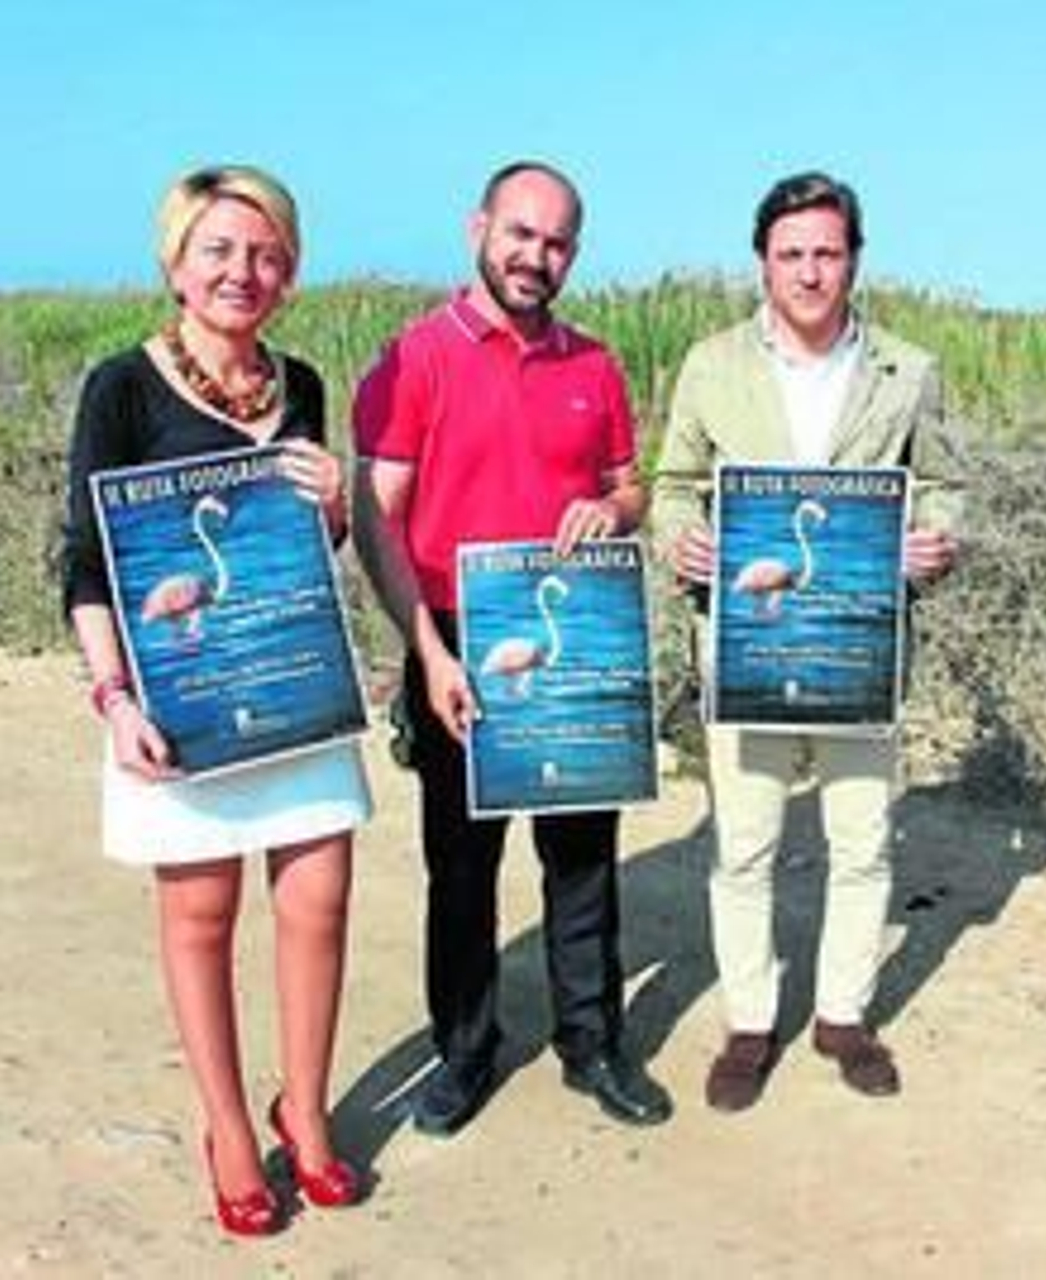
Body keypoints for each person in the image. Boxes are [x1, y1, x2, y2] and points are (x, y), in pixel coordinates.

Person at [61, 165, 372, 1235]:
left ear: (288, 269)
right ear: (176, 260)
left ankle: (308, 1107)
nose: (245, 271)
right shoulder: (123, 389)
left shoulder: (303, 381)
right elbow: (88, 563)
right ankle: (230, 1124)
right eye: (221, 250)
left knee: (319, 898)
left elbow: (302, 552)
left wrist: (334, 508)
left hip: (288, 682)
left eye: (267, 252)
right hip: (177, 695)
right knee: (201, 912)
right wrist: (113, 696)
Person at [351, 160, 673, 1135]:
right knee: (462, 866)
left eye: (558, 241)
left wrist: (609, 510)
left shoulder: (595, 365)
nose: (537, 257)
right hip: (456, 638)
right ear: (479, 228)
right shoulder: (413, 360)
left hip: (573, 630)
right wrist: (428, 655)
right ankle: (464, 1049)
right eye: (521, 234)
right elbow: (377, 521)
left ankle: (594, 1042)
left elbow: (631, 489)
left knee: (583, 857)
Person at [652, 171, 961, 1112]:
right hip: (747, 642)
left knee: (861, 839)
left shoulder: (910, 370)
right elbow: (672, 483)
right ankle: (751, 1020)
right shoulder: (712, 365)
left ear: (853, 259)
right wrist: (682, 539)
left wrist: (936, 540)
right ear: (764, 263)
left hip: (858, 642)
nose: (810, 271)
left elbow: (943, 482)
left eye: (827, 252)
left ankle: (843, 1014)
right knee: (743, 844)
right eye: (792, 254)